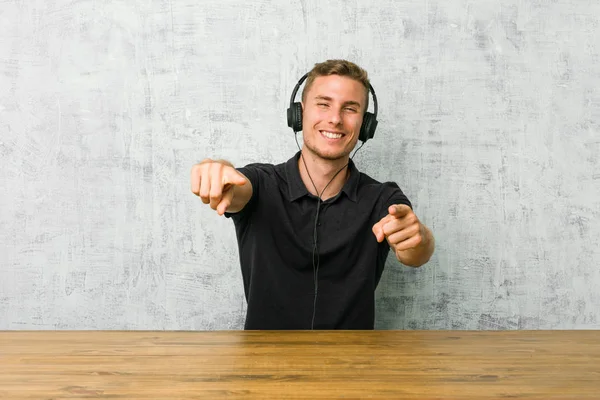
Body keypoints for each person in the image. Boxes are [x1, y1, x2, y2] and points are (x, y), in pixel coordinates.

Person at [190, 59, 435, 330]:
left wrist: (418, 237)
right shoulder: (261, 183)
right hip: (263, 366)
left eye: (350, 108)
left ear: (366, 125)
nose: (335, 118)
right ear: (299, 114)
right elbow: (235, 186)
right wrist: (217, 172)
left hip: (352, 368)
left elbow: (416, 253)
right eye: (324, 104)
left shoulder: (382, 198)